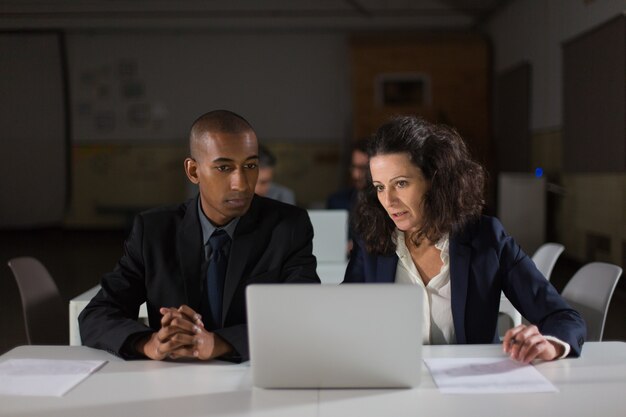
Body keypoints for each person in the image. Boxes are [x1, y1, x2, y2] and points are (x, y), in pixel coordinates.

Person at [79, 110, 320, 362]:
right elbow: (96, 315)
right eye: (224, 167)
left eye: (250, 165)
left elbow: (304, 314)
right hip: (173, 380)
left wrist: (219, 343)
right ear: (193, 171)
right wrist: (149, 343)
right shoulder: (153, 231)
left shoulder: (288, 226)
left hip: (254, 373)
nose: (241, 183)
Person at [343, 115, 586, 363]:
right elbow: (341, 318)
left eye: (401, 183)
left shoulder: (486, 238)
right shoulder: (373, 240)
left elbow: (563, 317)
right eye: (380, 187)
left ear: (435, 180)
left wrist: (550, 344)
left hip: (471, 388)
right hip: (395, 384)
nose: (388, 200)